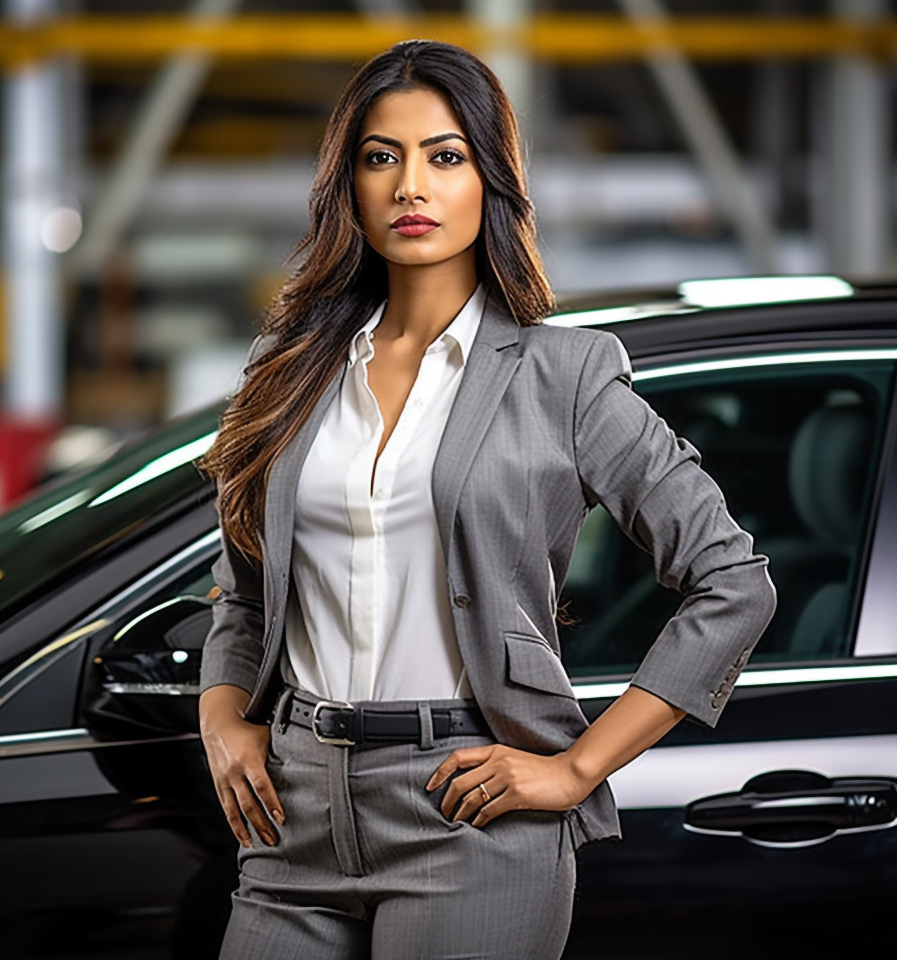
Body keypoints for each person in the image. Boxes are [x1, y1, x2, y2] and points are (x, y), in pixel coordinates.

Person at [194, 39, 777, 960]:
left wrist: (576, 769)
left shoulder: (565, 375)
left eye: (445, 156)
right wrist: (222, 719)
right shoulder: (288, 371)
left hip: (469, 812)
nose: (410, 186)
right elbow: (248, 595)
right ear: (347, 185)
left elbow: (733, 581)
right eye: (381, 157)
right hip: (293, 811)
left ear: (490, 179)